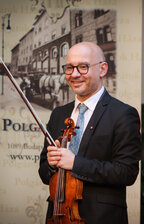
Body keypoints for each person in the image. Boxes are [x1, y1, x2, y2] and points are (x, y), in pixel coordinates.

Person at [38, 42, 141, 224]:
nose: (74, 74)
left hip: (101, 217)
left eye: (83, 67)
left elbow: (127, 172)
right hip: (58, 215)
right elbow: (44, 173)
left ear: (102, 69)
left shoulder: (123, 114)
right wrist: (53, 164)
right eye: (69, 67)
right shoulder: (59, 114)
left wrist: (75, 163)